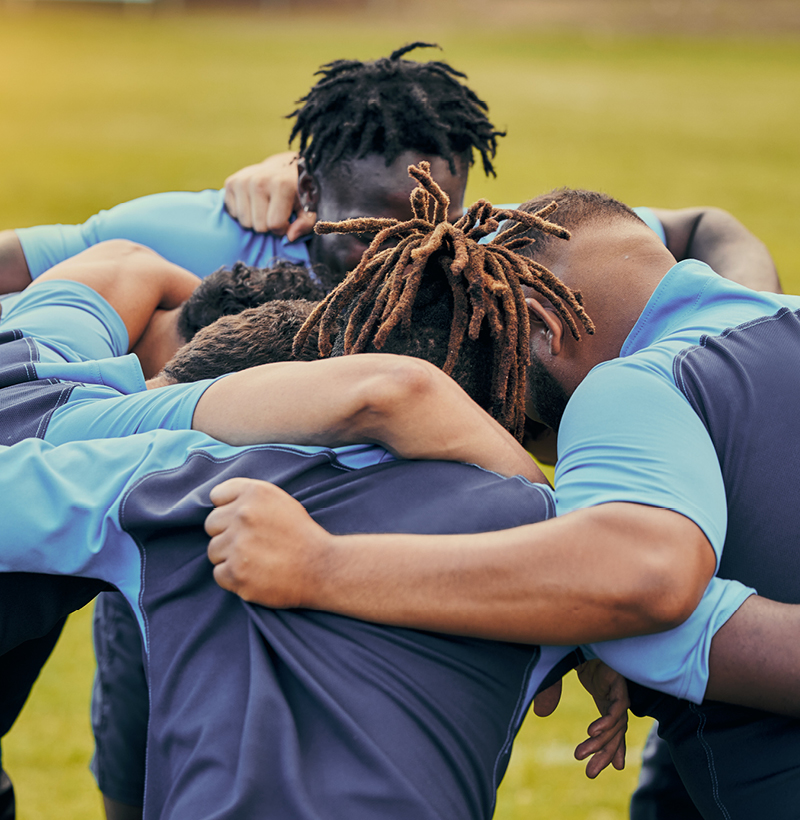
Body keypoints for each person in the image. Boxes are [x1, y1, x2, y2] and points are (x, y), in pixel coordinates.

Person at [0, 181, 613, 819]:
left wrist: (234, 310)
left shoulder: (41, 346)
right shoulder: (161, 459)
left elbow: (129, 263)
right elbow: (391, 393)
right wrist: (565, 546)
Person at [199, 181, 800, 818]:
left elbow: (639, 577)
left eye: (535, 418)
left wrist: (319, 566)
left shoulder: (631, 384)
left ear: (544, 326)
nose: (546, 447)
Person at [0, 42, 502, 293]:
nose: (410, 252)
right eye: (372, 230)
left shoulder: (493, 260)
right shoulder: (199, 239)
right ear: (308, 191)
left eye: (438, 221)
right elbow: (15, 261)